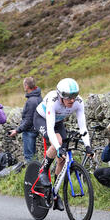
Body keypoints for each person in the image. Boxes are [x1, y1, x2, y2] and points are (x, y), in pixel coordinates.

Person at [33, 78, 93, 211]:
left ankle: (54, 193)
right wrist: (58, 147)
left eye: (74, 96)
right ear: (60, 95)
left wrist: (88, 146)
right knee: (58, 142)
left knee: (62, 159)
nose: (72, 100)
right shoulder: (52, 101)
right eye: (68, 97)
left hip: (58, 122)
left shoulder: (79, 102)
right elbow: (50, 129)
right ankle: (43, 171)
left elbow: (83, 128)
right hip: (42, 119)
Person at [9, 77, 43, 162]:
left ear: (26, 86)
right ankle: (36, 173)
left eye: (24, 85)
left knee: (29, 158)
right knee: (33, 157)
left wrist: (17, 130)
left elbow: (29, 120)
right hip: (35, 129)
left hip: (29, 131)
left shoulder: (31, 101)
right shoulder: (38, 97)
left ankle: (33, 175)